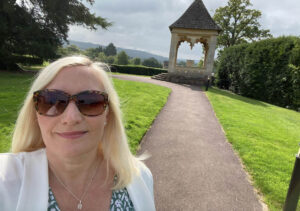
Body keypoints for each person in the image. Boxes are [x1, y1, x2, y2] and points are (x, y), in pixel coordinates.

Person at [0, 56, 155, 211]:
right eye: (52, 101)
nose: (71, 118)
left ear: (108, 115)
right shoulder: (5, 179)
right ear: (35, 114)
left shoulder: (140, 177)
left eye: (90, 102)